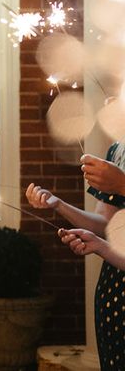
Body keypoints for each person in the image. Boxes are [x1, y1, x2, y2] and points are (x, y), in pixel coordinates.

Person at [26, 143, 125, 369]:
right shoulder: (118, 150)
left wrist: (121, 184)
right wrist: (58, 205)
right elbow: (107, 226)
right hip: (114, 291)